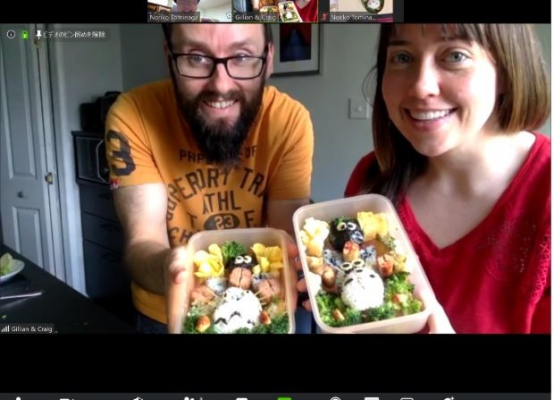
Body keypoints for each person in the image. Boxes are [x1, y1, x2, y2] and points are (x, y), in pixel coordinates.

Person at [105, 24, 314, 333]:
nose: (221, 85)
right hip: (167, 312)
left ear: (268, 58)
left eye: (242, 56)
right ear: (169, 57)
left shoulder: (289, 121)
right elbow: (142, 241)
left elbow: (283, 242)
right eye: (196, 57)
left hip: (264, 308)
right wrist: (171, 271)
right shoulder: (132, 115)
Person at [343, 24, 551, 333]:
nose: (420, 87)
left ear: (507, 71)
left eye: (455, 55)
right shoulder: (370, 177)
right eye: (402, 57)